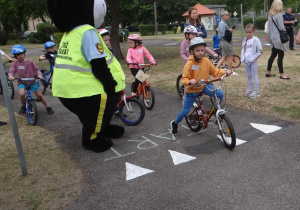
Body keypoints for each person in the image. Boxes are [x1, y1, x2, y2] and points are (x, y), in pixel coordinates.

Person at [47, 0, 126, 153]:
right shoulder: (87, 31)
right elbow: (97, 62)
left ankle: (102, 127)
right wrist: (109, 83)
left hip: (66, 89)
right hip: (86, 89)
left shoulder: (69, 33)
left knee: (93, 114)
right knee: (102, 105)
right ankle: (90, 138)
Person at [170, 37, 232, 135]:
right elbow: (184, 79)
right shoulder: (189, 64)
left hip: (203, 86)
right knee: (185, 111)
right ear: (192, 51)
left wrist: (225, 71)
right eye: (197, 50)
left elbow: (214, 71)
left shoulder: (206, 61)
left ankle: (215, 111)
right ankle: (175, 123)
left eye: (202, 50)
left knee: (219, 93)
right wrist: (190, 81)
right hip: (192, 90)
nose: (200, 52)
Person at [8, 45, 54, 115]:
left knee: (39, 95)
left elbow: (36, 69)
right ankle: (23, 106)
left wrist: (39, 75)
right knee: (22, 93)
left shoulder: (30, 62)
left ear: (24, 53)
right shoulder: (15, 64)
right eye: (18, 55)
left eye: (21, 54)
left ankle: (47, 107)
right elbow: (12, 71)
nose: (20, 56)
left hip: (32, 81)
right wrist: (11, 76)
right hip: (22, 82)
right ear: (15, 56)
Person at [266, 0, 290, 79]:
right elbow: (281, 27)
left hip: (272, 37)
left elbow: (268, 28)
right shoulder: (279, 15)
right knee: (280, 55)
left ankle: (268, 71)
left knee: (273, 55)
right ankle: (282, 74)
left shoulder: (270, 15)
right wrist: (284, 29)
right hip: (277, 38)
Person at [241, 24, 263, 99]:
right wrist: (244, 58)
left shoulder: (256, 40)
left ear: (253, 31)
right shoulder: (245, 40)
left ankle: (256, 91)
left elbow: (260, 51)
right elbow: (244, 49)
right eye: (247, 32)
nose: (248, 34)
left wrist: (254, 58)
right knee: (249, 75)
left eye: (250, 32)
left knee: (254, 75)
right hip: (247, 61)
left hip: (253, 61)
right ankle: (250, 90)